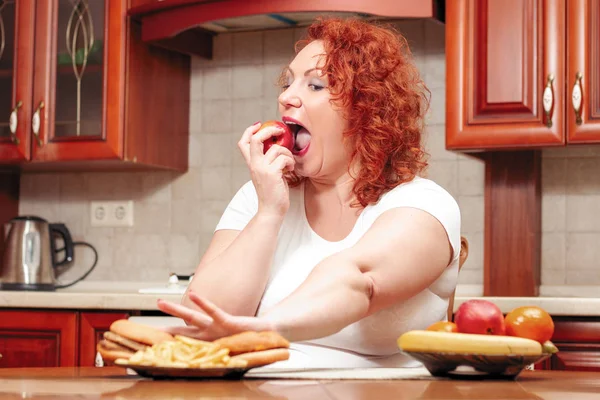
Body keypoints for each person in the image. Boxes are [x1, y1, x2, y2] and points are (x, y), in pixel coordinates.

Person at [157, 17, 461, 368]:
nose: (286, 97)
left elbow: (357, 280)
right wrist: (269, 212)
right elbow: (201, 316)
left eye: (315, 86)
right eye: (288, 83)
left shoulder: (424, 204)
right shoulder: (260, 196)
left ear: (368, 109)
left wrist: (263, 328)